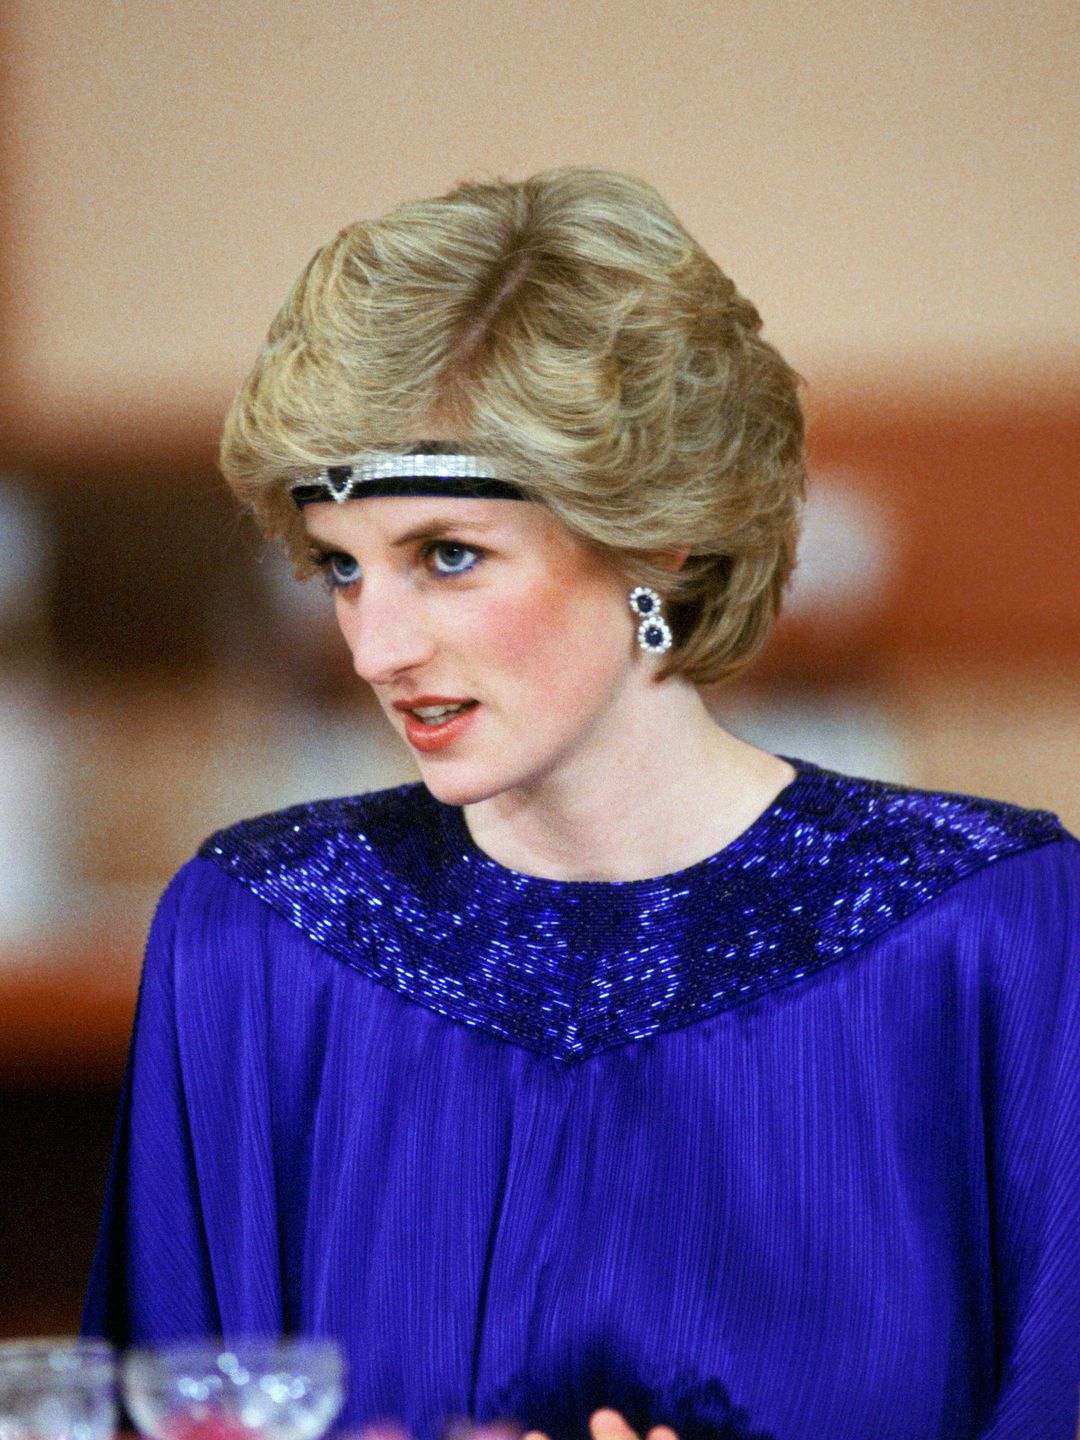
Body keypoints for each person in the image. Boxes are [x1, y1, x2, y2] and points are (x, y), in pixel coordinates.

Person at [83, 169, 1079, 1440]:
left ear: (659, 540)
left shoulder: (998, 933)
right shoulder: (257, 938)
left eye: (449, 555)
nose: (377, 648)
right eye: (342, 568)